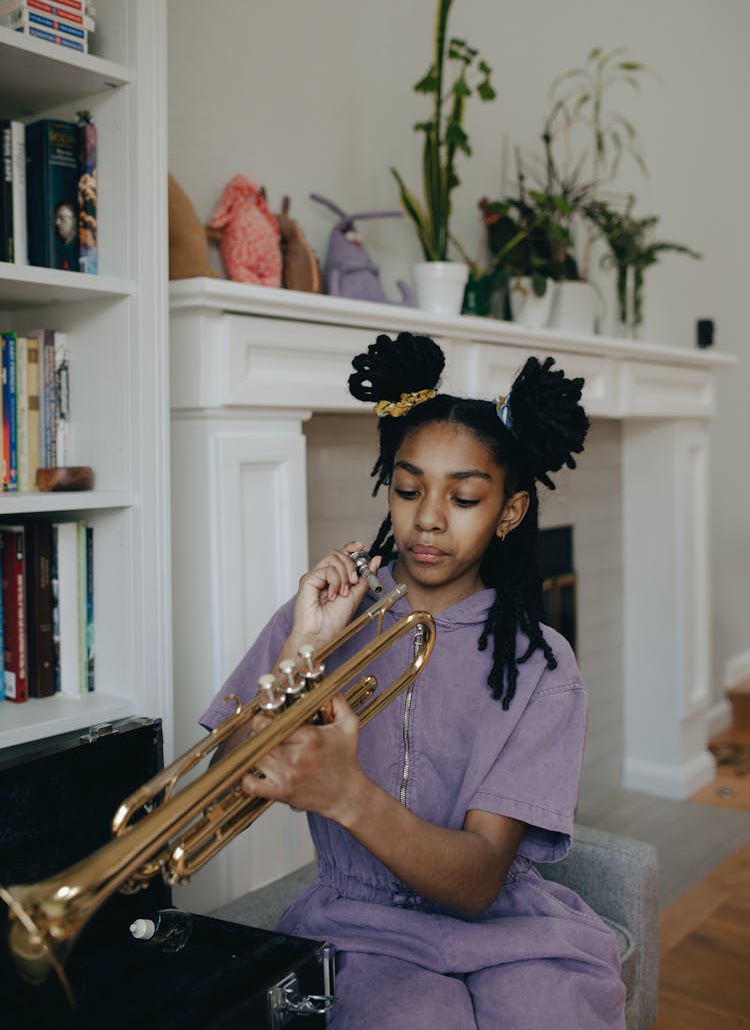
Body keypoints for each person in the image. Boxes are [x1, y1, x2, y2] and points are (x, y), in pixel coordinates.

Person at [200, 331, 626, 1028]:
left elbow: (481, 880)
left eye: (463, 498)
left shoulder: (543, 663)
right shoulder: (319, 620)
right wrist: (301, 651)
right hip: (355, 924)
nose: (426, 518)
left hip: (510, 928)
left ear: (509, 514)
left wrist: (347, 794)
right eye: (407, 489)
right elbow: (217, 791)